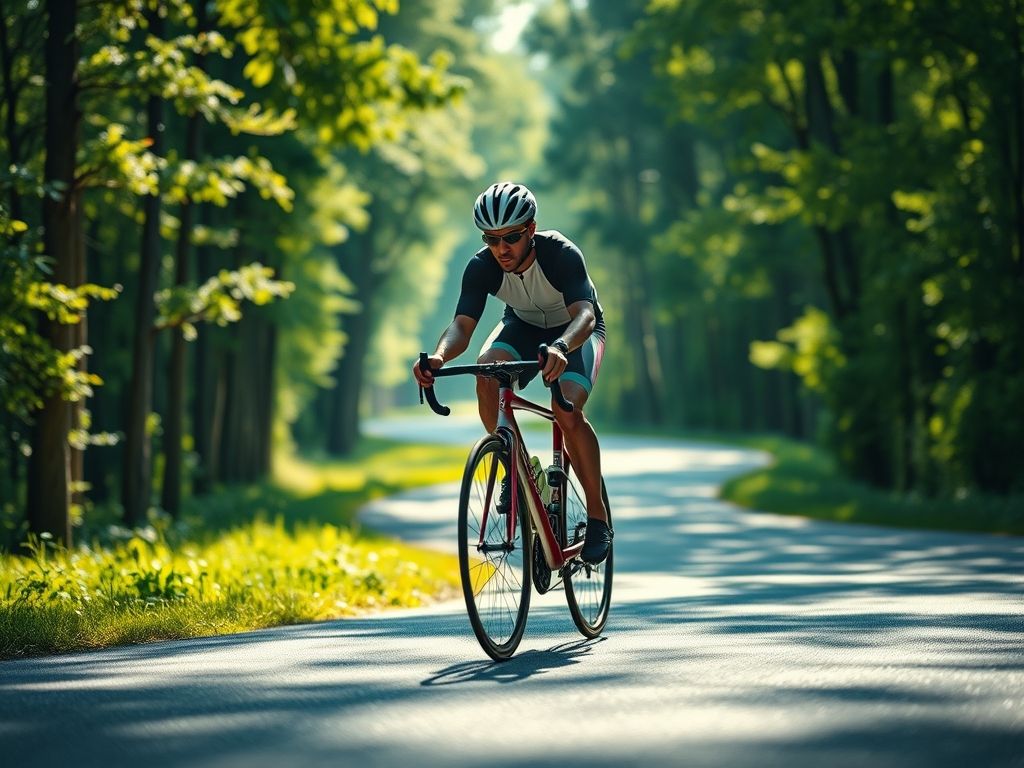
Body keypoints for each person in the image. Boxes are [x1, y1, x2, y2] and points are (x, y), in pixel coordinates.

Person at [412, 182, 612, 564]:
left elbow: (585, 315)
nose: (501, 249)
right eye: (491, 239)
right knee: (487, 372)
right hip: (523, 326)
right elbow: (462, 326)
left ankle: (597, 516)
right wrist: (438, 358)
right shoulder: (481, 266)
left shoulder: (561, 254)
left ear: (531, 229)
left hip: (575, 331)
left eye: (512, 238)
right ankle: (516, 468)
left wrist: (561, 348)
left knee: (567, 411)